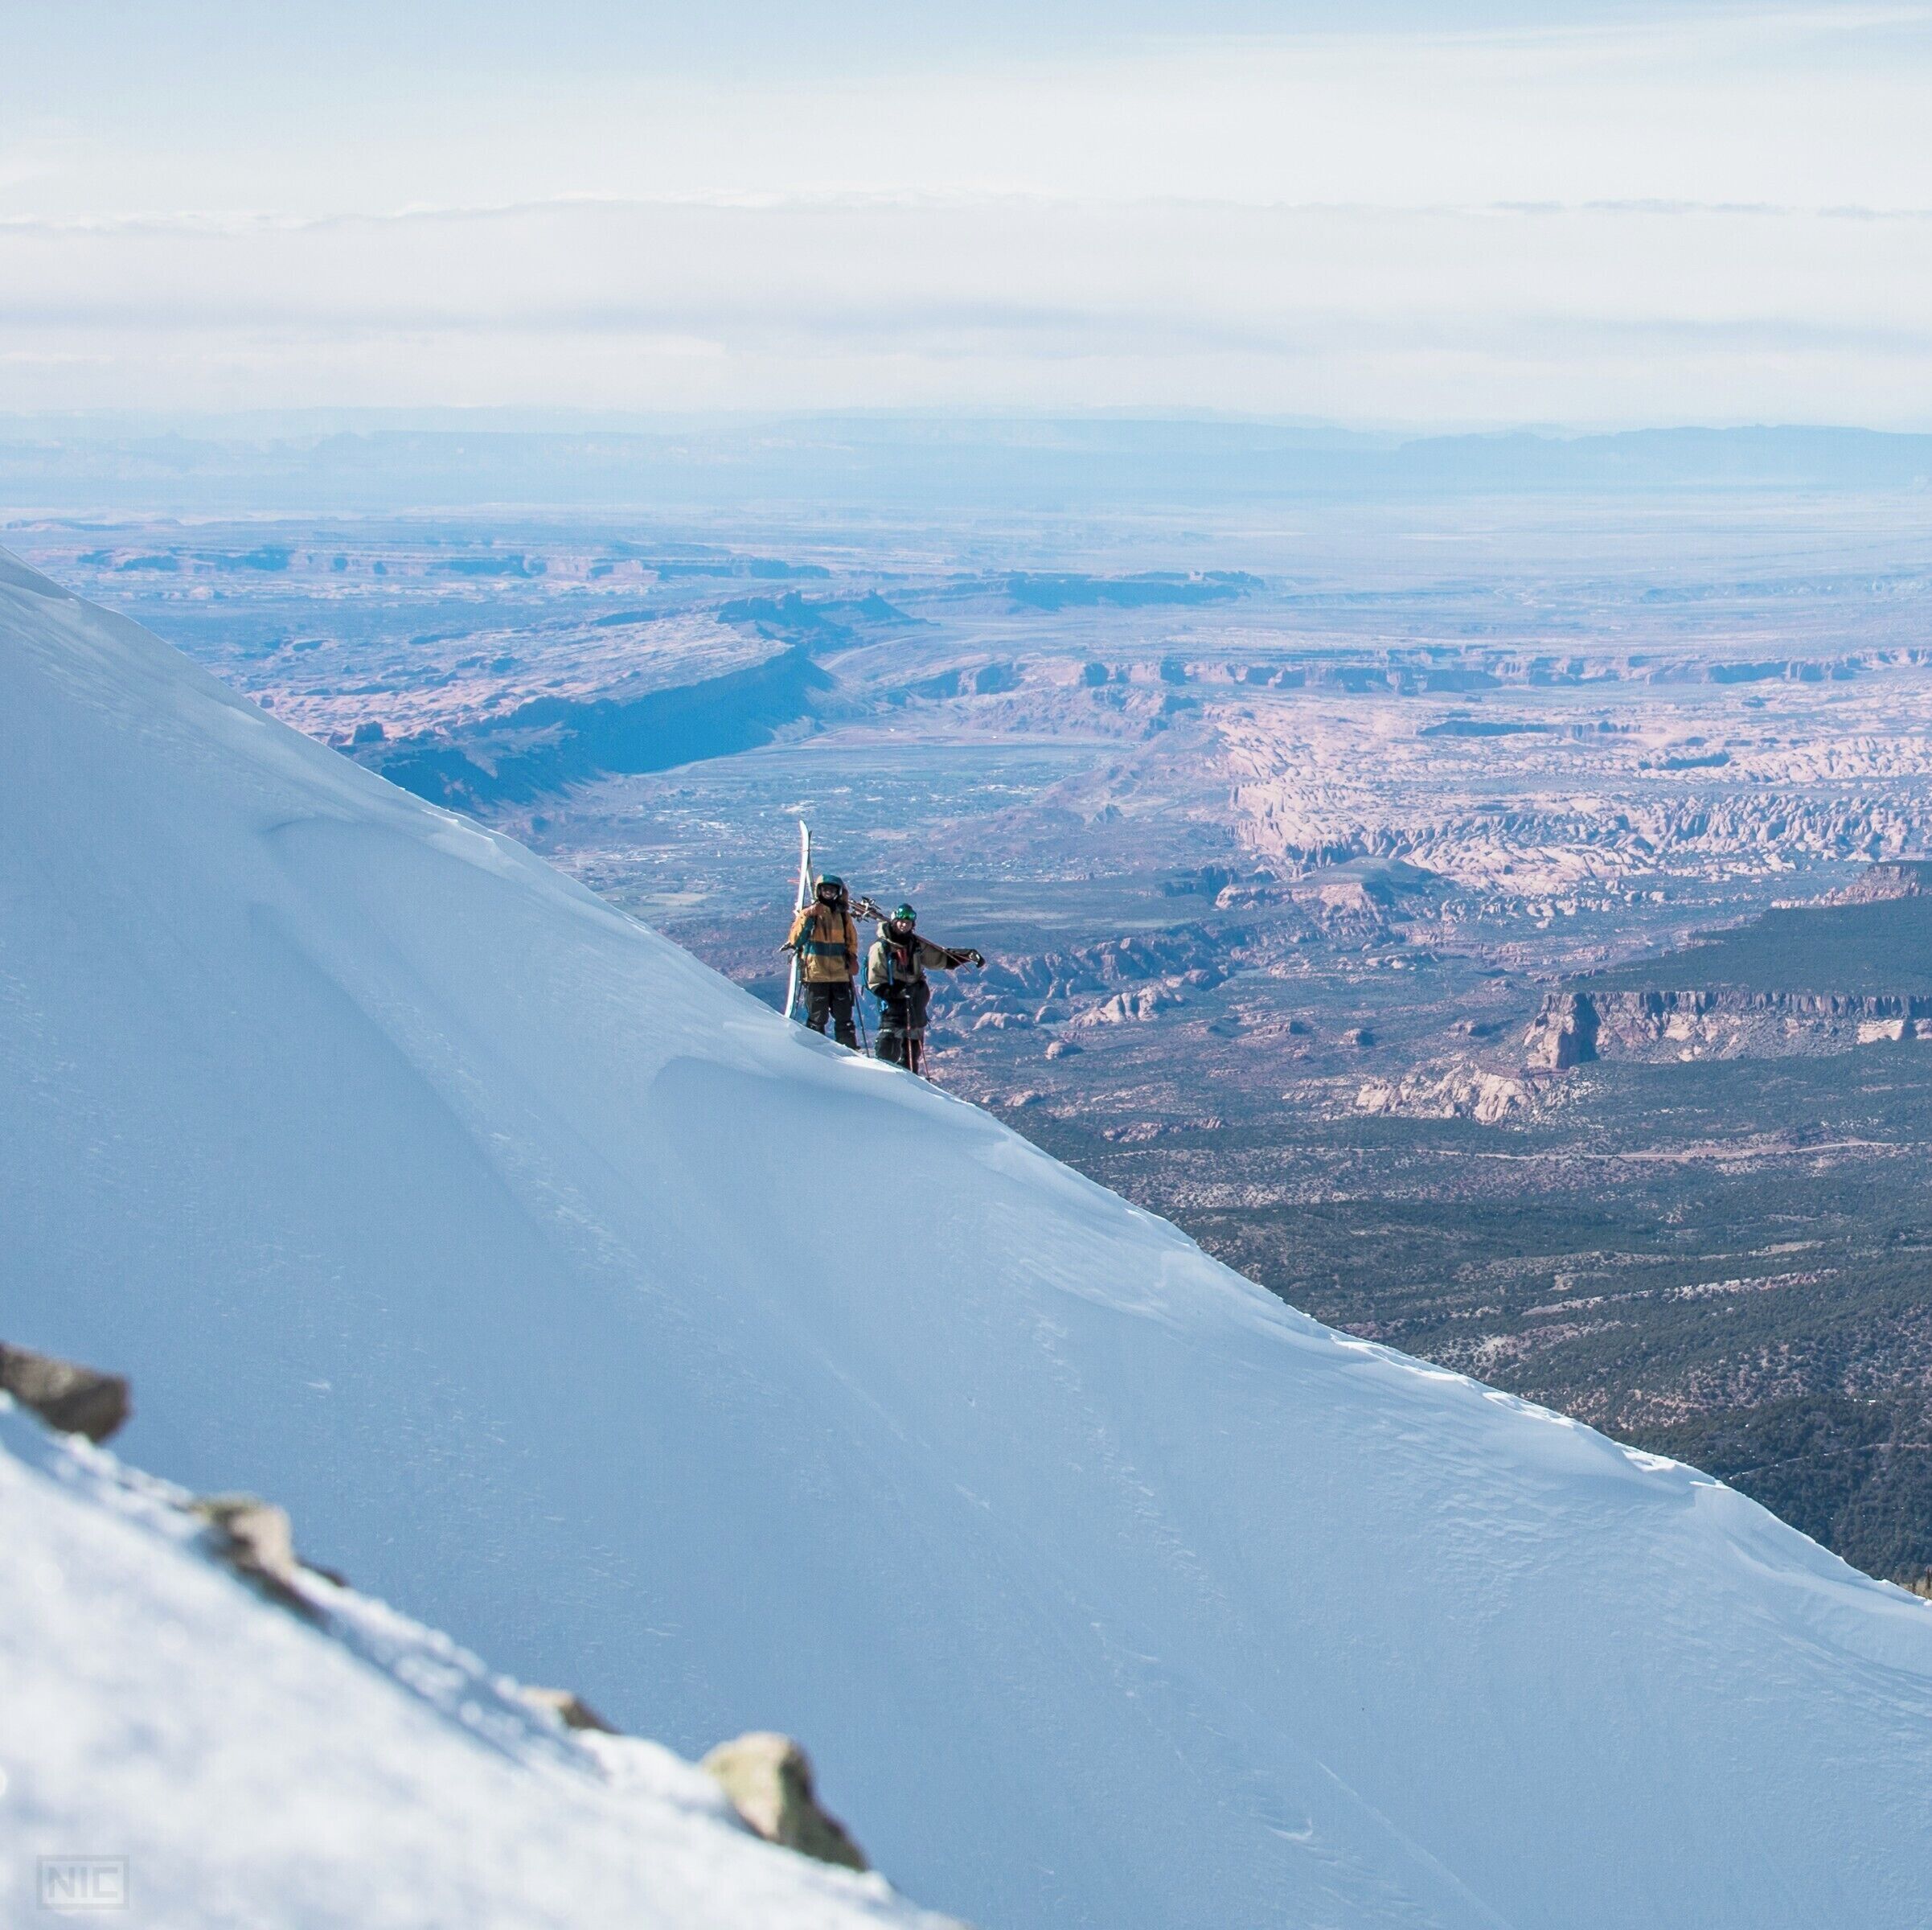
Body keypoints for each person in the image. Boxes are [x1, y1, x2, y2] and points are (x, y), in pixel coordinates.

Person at [866, 903, 982, 1073]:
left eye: (908, 922)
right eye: (901, 921)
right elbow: (875, 982)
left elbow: (940, 958)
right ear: (894, 921)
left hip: (915, 1002)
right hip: (894, 1005)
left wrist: (967, 956)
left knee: (912, 1052)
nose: (904, 925)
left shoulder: (915, 944)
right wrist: (896, 993)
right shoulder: (881, 947)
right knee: (888, 1048)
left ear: (913, 925)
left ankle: (909, 1086)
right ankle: (882, 1085)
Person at [786, 873, 860, 1047]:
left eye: (832, 890)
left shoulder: (843, 916)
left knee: (844, 1019)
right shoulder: (810, 914)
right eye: (825, 889)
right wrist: (806, 916)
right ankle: (817, 1054)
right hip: (816, 975)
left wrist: (852, 957)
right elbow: (795, 940)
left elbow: (851, 940)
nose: (828, 893)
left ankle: (851, 1052)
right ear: (819, 891)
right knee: (817, 1019)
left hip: (839, 974)